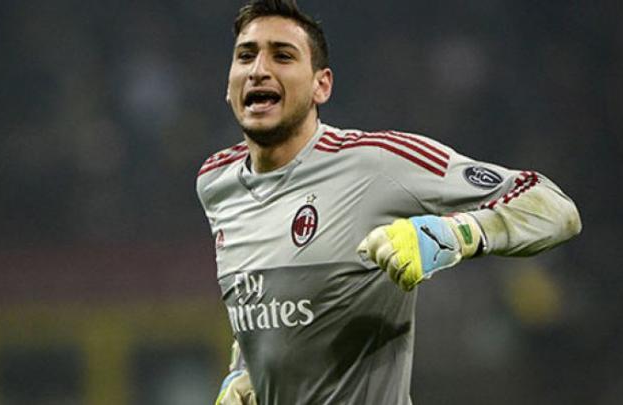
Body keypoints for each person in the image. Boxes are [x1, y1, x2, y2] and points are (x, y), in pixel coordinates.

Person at [195, 1, 582, 404]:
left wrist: (455, 234)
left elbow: (554, 206)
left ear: (321, 86)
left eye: (283, 56)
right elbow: (264, 304)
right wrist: (244, 373)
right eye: (246, 56)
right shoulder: (216, 182)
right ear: (229, 85)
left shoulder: (376, 163)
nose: (259, 69)